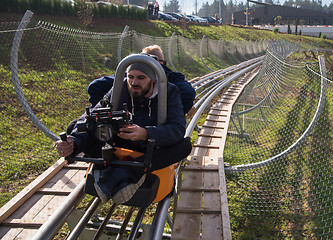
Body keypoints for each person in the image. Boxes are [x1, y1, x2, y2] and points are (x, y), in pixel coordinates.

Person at [56, 57, 192, 204]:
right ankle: (110, 169)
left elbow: (177, 128)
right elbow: (93, 116)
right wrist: (73, 142)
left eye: (141, 78)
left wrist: (146, 133)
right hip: (120, 142)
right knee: (75, 127)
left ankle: (124, 173)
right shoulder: (119, 88)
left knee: (184, 146)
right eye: (131, 77)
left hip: (150, 148)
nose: (134, 83)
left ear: (152, 79)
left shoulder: (169, 92)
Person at [88, 45, 195, 115]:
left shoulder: (124, 78)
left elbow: (96, 86)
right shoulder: (170, 77)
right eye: (132, 77)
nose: (134, 82)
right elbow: (188, 93)